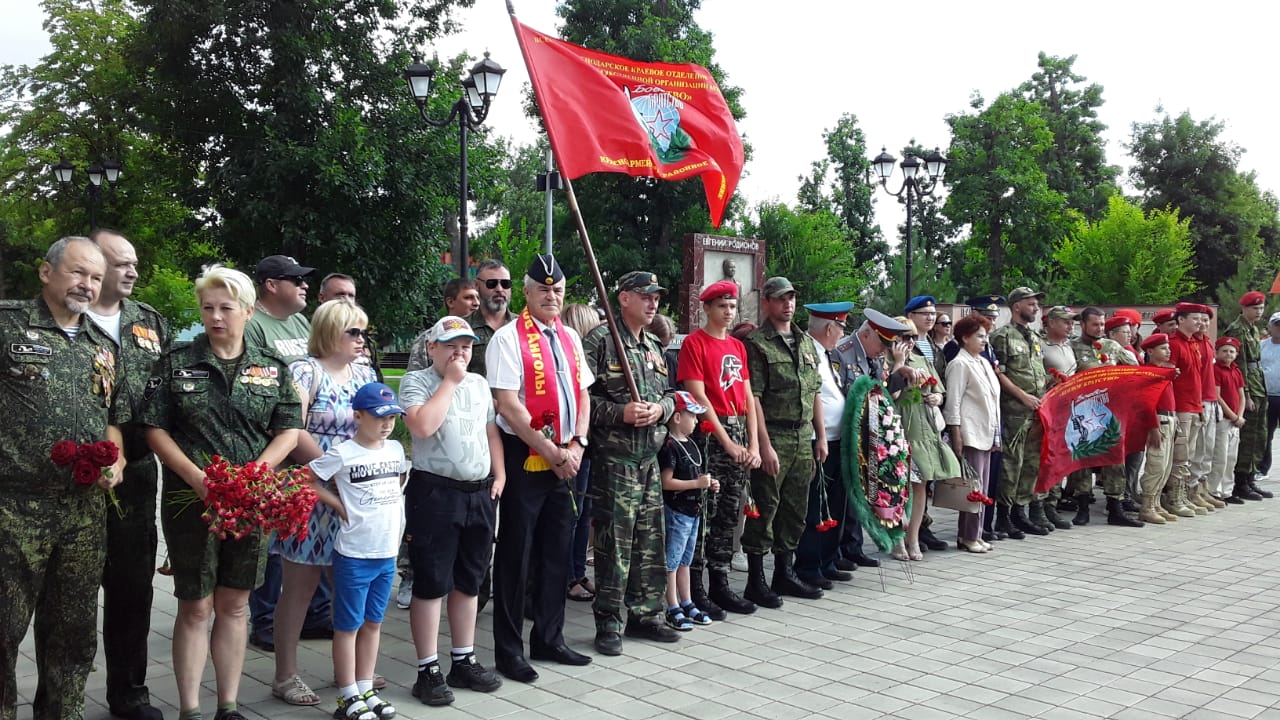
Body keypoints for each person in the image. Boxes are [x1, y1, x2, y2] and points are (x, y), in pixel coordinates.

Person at [143, 264, 301, 720]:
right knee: (195, 605)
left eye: (226, 308)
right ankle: (190, 709)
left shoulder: (272, 365)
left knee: (234, 604)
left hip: (252, 499)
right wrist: (197, 478)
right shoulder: (176, 362)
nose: (215, 317)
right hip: (193, 501)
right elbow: (155, 428)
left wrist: (255, 473)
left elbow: (289, 429)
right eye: (208, 307)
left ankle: (227, 705)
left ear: (248, 311)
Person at [0, 236, 128, 720]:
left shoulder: (103, 342)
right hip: (13, 506)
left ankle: (64, 713)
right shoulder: (7, 324)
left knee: (72, 629)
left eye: (96, 277)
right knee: (3, 627)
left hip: (82, 511)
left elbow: (113, 412)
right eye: (78, 273)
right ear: (45, 272)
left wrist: (114, 458)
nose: (88, 285)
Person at [487, 254, 593, 682]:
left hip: (569, 456)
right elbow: (509, 405)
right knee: (516, 554)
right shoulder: (509, 339)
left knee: (557, 551)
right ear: (527, 293)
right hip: (526, 456)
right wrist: (550, 450)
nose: (551, 296)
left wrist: (579, 443)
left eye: (558, 290)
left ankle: (550, 638)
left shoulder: (570, 336)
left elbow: (583, 393)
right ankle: (509, 651)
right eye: (543, 289)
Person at [270, 299, 378, 706]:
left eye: (363, 332)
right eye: (353, 331)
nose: (360, 339)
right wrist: (331, 468)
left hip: (356, 489)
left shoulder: (364, 373)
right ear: (331, 330)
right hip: (314, 489)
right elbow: (293, 429)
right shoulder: (305, 370)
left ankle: (348, 670)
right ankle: (285, 675)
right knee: (300, 585)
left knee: (349, 581)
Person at [399, 316, 505, 705]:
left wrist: (501, 474)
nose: (460, 354)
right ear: (432, 348)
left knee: (470, 579)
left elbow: (490, 429)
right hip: (436, 493)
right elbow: (422, 426)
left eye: (466, 346)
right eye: (451, 346)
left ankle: (464, 657)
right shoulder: (418, 382)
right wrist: (450, 382)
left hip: (478, 493)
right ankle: (427, 668)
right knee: (430, 581)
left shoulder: (478, 384)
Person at [87, 229, 170, 720]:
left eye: (134, 263)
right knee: (67, 592)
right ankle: (59, 697)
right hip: (73, 477)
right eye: (121, 263)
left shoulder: (149, 323)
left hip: (136, 475)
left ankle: (130, 692)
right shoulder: (65, 321)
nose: (133, 271)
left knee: (133, 589)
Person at [583, 271, 679, 654]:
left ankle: (647, 614)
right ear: (623, 298)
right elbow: (581, 400)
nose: (653, 303)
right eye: (645, 296)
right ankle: (609, 621)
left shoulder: (654, 345)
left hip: (649, 460)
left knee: (649, 543)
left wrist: (661, 408)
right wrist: (620, 413)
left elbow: (673, 395)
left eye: (656, 296)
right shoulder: (601, 341)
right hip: (615, 461)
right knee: (615, 546)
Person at [308, 382, 409, 720]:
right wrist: (337, 504)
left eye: (392, 417)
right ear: (358, 415)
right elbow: (309, 480)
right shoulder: (343, 452)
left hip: (386, 552)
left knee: (373, 623)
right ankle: (347, 693)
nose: (386, 424)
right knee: (347, 626)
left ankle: (365, 687)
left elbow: (397, 484)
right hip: (354, 553)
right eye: (379, 417)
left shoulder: (395, 449)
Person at [245, 254, 322, 651]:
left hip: (302, 443)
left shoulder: (298, 322)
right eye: (296, 279)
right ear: (271, 284)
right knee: (270, 540)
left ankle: (304, 614)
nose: (305, 285)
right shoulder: (254, 325)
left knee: (297, 532)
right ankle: (264, 620)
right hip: (271, 445)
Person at [677, 281, 762, 619]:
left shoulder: (737, 348)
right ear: (707, 309)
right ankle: (695, 588)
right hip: (711, 435)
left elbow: (747, 397)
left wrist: (753, 443)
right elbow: (699, 397)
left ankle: (720, 581)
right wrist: (727, 442)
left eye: (732, 306)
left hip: (738, 427)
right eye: (722, 306)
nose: (728, 313)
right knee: (706, 511)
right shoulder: (694, 344)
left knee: (730, 512)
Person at [741, 277, 825, 606]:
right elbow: (754, 399)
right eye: (780, 299)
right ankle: (755, 579)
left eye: (791, 298)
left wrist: (819, 435)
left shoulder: (805, 341)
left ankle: (784, 573)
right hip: (773, 433)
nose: (787, 305)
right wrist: (763, 445)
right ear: (767, 303)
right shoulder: (758, 343)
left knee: (795, 509)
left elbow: (814, 390)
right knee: (764, 508)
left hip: (803, 435)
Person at [888, 316, 963, 560]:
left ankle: (914, 538)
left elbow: (939, 390)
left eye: (912, 337)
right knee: (896, 487)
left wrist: (936, 398)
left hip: (923, 428)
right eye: (903, 337)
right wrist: (899, 364)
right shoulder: (886, 360)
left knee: (920, 485)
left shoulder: (921, 358)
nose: (909, 342)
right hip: (898, 428)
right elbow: (891, 394)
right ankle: (897, 539)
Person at [794, 302, 857, 589]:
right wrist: (820, 435)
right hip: (818, 440)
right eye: (842, 327)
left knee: (834, 505)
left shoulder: (828, 354)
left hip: (836, 439)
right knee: (816, 507)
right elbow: (815, 395)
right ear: (830, 327)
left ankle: (828, 561)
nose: (843, 332)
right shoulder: (809, 352)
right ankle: (809, 565)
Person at [989, 286, 1050, 539]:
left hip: (1036, 410)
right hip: (1014, 410)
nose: (1035, 308)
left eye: (1036, 304)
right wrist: (1021, 395)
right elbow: (997, 372)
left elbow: (1038, 371)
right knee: (1011, 464)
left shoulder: (1035, 337)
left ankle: (1019, 512)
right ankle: (1003, 517)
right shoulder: (1002, 336)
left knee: (1030, 463)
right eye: (1031, 304)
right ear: (1016, 306)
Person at [660, 390, 719, 630]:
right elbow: (666, 482)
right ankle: (672, 604)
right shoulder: (670, 447)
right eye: (692, 416)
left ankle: (687, 601)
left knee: (686, 559)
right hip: (677, 510)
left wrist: (708, 483)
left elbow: (697, 473)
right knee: (672, 561)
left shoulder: (692, 444)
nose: (696, 422)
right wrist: (696, 484)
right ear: (676, 417)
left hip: (693, 511)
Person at [944, 313, 1001, 552]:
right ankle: (967, 536)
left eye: (986, 336)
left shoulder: (983, 362)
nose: (984, 341)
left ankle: (975, 534)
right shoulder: (959, 363)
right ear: (965, 338)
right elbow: (953, 403)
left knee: (983, 488)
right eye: (979, 336)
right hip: (971, 433)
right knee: (973, 488)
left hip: (987, 432)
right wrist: (956, 433)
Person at [902, 296, 950, 552]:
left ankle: (919, 532)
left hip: (926, 424)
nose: (931, 318)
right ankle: (905, 535)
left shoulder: (930, 349)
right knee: (902, 484)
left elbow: (940, 387)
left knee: (923, 481)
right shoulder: (898, 352)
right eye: (925, 313)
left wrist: (937, 396)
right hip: (905, 424)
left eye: (934, 314)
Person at [562, 303, 602, 604]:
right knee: (572, 515)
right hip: (573, 445)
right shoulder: (574, 356)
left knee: (583, 513)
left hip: (589, 447)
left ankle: (576, 571)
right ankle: (567, 576)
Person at [1223, 291, 1272, 500]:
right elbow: (1239, 364)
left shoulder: (1253, 328)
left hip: (1258, 382)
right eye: (1255, 308)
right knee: (1248, 436)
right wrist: (1247, 395)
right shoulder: (1238, 329)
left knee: (1259, 435)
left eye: (1261, 308)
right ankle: (1240, 481)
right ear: (1244, 309)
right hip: (1248, 385)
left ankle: (1250, 477)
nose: (1259, 311)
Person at [1165, 302, 1208, 518]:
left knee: (1188, 456)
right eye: (1195, 318)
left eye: (1202, 319)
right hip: (1180, 406)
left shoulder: (1194, 344)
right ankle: (1173, 498)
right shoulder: (1173, 343)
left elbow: (1196, 378)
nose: (1200, 322)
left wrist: (1199, 405)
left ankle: (1182, 496)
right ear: (1181, 320)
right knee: (1179, 456)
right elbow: (1168, 377)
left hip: (1193, 405)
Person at [1136, 334, 1179, 523]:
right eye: (1163, 348)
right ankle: (1146, 506)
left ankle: (1156, 503)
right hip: (1159, 420)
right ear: (1150, 351)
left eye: (1168, 348)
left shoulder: (1165, 371)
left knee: (1166, 465)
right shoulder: (1149, 373)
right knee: (1156, 463)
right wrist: (1153, 427)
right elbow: (1147, 403)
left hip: (1170, 417)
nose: (1168, 351)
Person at [405, 278, 481, 372]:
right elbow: (416, 378)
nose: (476, 303)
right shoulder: (429, 338)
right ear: (450, 302)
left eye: (478, 298)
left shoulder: (482, 333)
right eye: (468, 298)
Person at [1210, 337, 1246, 503]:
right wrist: (1232, 415)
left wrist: (1240, 415)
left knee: (1232, 458)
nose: (1228, 354)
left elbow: (1241, 395)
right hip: (1223, 419)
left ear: (1236, 354)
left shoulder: (1236, 370)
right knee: (1220, 457)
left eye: (1231, 351)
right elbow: (1217, 396)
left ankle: (1227, 491)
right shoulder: (1216, 369)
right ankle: (1214, 491)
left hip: (1235, 421)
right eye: (1224, 350)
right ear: (1216, 353)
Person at [1260, 312, 1280, 479]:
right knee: (1265, 433)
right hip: (1267, 396)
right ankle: (1262, 468)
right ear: (1270, 327)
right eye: (1277, 324)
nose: (1279, 328)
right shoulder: (1261, 346)